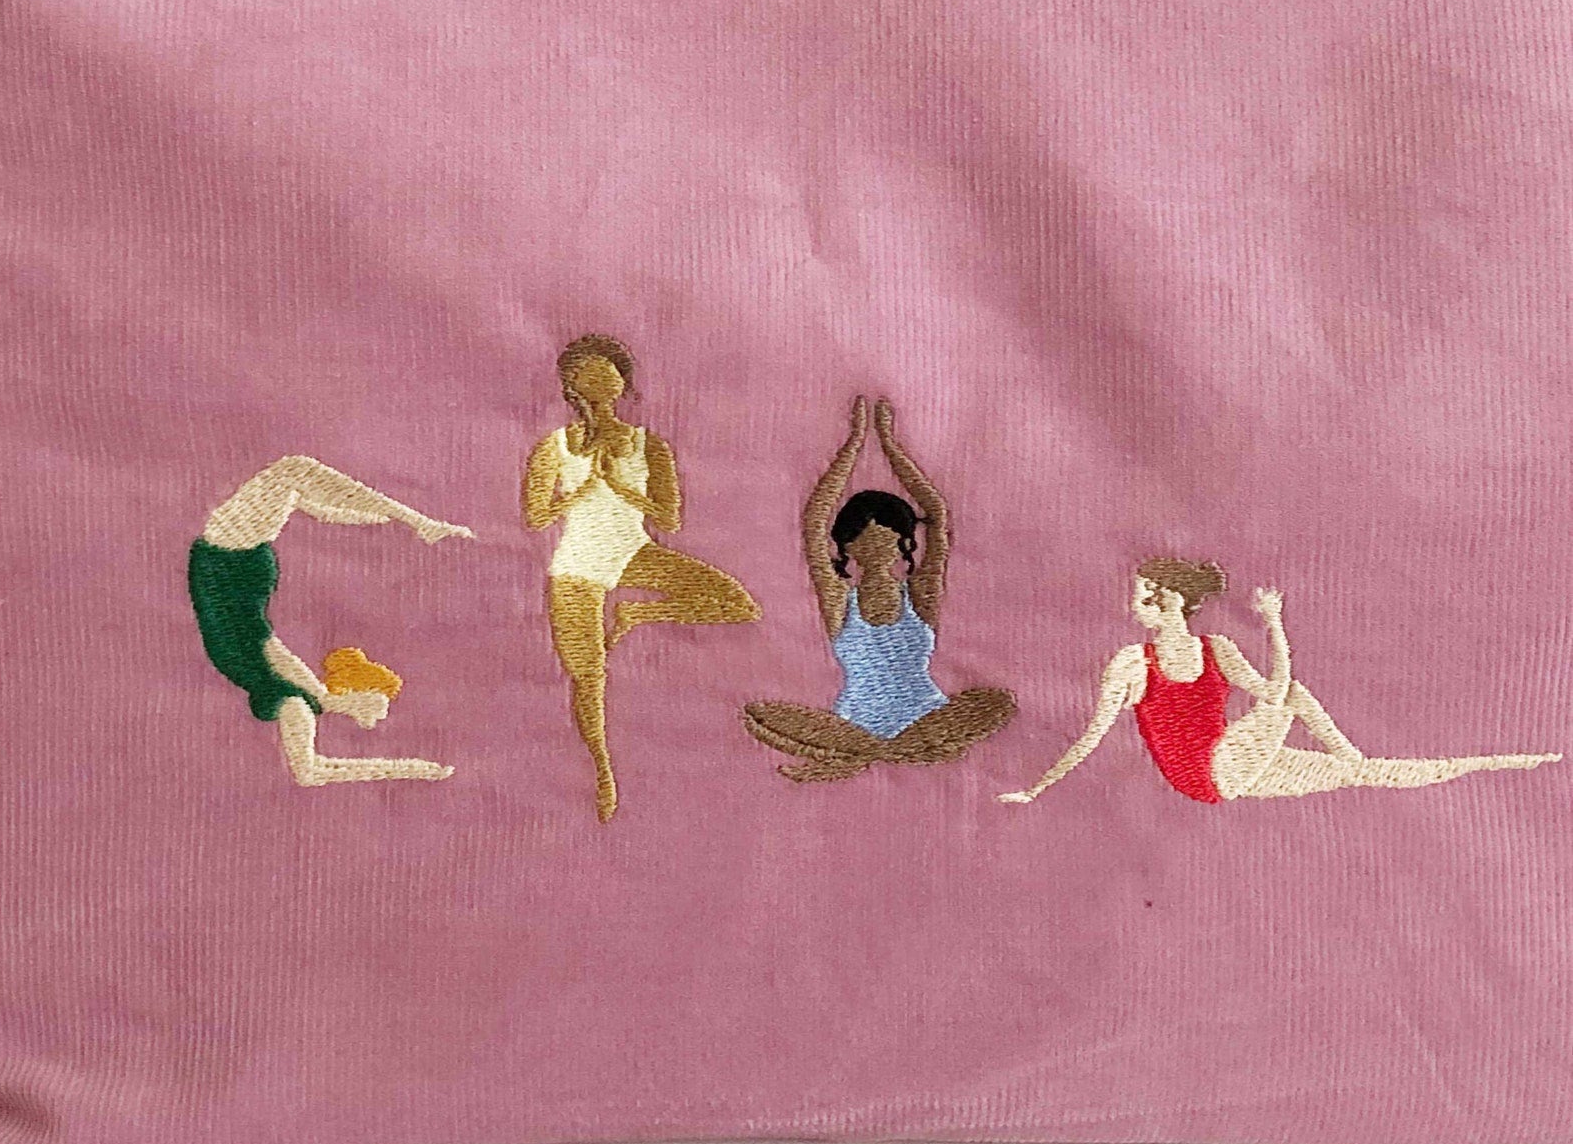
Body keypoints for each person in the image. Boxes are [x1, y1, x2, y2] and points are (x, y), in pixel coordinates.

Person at [999, 557, 1560, 805]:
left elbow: (1273, 693)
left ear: (1169, 600)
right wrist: (1039, 787)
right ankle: (1355, 754)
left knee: (1363, 775)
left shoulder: (1217, 649)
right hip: (1209, 769)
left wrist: (1274, 629)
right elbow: (1093, 734)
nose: (1134, 602)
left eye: (1143, 593)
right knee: (1296, 699)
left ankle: (1497, 763)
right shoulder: (1132, 662)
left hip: (1229, 770)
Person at [523, 334, 760, 822]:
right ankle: (602, 772)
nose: (599, 378)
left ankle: (640, 613)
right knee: (588, 676)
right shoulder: (555, 447)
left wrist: (622, 490)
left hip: (632, 551)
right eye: (586, 372)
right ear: (570, 384)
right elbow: (535, 517)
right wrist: (580, 492)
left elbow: (669, 518)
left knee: (736, 602)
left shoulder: (648, 445)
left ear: (621, 381)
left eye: (608, 370)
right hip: (577, 564)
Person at [743, 397, 1014, 781]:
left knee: (992, 704)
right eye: (864, 539)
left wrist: (890, 446)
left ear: (905, 544)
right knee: (766, 717)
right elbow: (815, 522)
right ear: (847, 547)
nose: (880, 548)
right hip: (854, 724)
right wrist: (853, 444)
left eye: (890, 540)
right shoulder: (840, 601)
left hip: (927, 720)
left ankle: (870, 755)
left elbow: (936, 517)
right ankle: (878, 751)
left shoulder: (919, 597)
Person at [188, 455, 473, 786]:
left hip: (225, 567)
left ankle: (418, 521)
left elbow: (310, 773)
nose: (373, 711)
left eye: (371, 703)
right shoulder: (308, 692)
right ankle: (415, 521)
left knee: (292, 473)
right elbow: (316, 506)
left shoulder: (292, 700)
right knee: (298, 486)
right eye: (375, 702)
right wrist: (377, 518)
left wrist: (414, 770)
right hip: (235, 568)